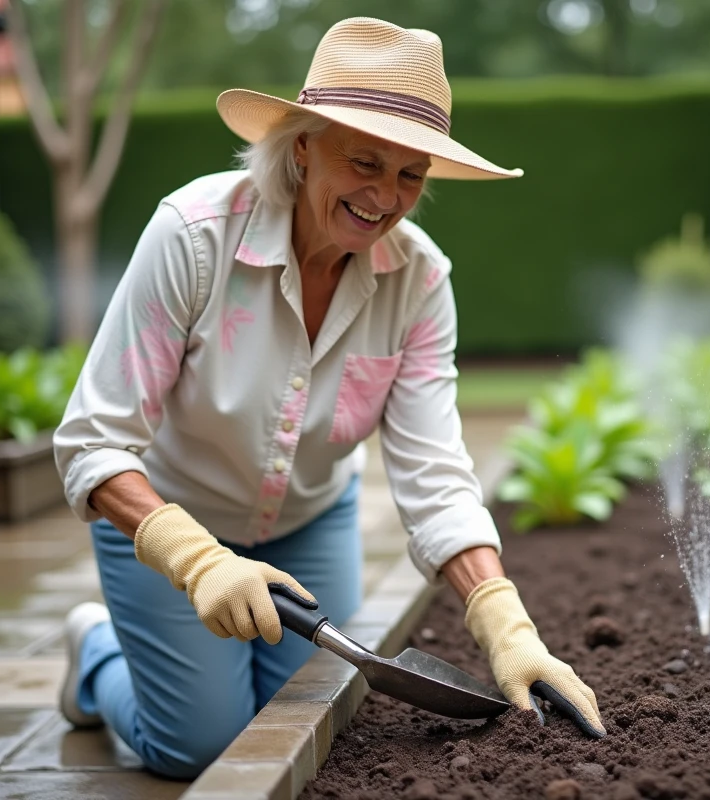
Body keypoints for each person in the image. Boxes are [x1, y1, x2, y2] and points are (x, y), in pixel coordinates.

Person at [53, 16, 605, 779]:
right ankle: (95, 654)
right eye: (365, 161)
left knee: (314, 724)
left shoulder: (419, 282)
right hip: (170, 517)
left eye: (410, 174)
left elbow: (434, 470)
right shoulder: (194, 235)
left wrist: (504, 622)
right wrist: (197, 560)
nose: (385, 196)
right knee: (201, 747)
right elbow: (92, 441)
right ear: (304, 145)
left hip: (308, 523)